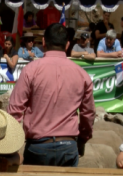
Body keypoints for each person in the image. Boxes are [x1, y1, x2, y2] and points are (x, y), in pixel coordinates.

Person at [8, 23, 96, 167]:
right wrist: (82, 139)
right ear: (67, 45)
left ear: (43, 42)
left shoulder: (31, 70)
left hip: (38, 147)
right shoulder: (82, 74)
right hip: (69, 146)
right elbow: (89, 113)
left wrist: (11, 146)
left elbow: (14, 110)